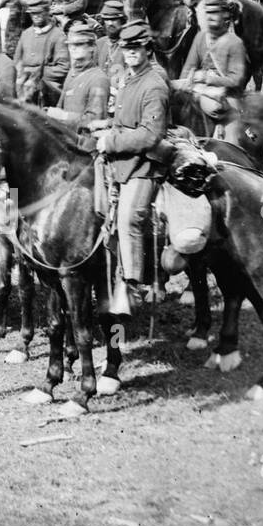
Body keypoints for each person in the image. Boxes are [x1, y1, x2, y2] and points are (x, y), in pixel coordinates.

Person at [93, 20, 171, 315]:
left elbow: (151, 136)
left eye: (137, 48)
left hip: (146, 165)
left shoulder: (153, 84)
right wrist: (104, 132)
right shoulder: (128, 79)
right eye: (127, 49)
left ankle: (132, 284)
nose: (131, 54)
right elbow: (120, 121)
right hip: (122, 160)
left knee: (128, 218)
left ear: (148, 49)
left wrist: (111, 142)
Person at [178, 0, 248, 107]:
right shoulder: (201, 37)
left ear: (225, 15)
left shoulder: (235, 42)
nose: (210, 16)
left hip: (227, 98)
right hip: (200, 92)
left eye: (215, 12)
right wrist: (183, 87)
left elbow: (236, 80)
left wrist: (207, 78)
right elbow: (188, 68)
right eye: (208, 12)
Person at [45, 22, 110, 126]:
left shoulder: (98, 79)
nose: (73, 48)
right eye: (70, 45)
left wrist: (62, 116)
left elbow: (94, 121)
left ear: (92, 47)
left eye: (79, 44)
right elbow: (60, 106)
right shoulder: (72, 72)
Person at [13, 0, 70, 106]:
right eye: (32, 13)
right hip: (24, 82)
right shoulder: (26, 34)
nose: (35, 16)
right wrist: (20, 73)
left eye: (39, 13)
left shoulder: (58, 36)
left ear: (48, 12)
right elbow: (17, 60)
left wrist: (38, 74)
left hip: (47, 85)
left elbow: (63, 68)